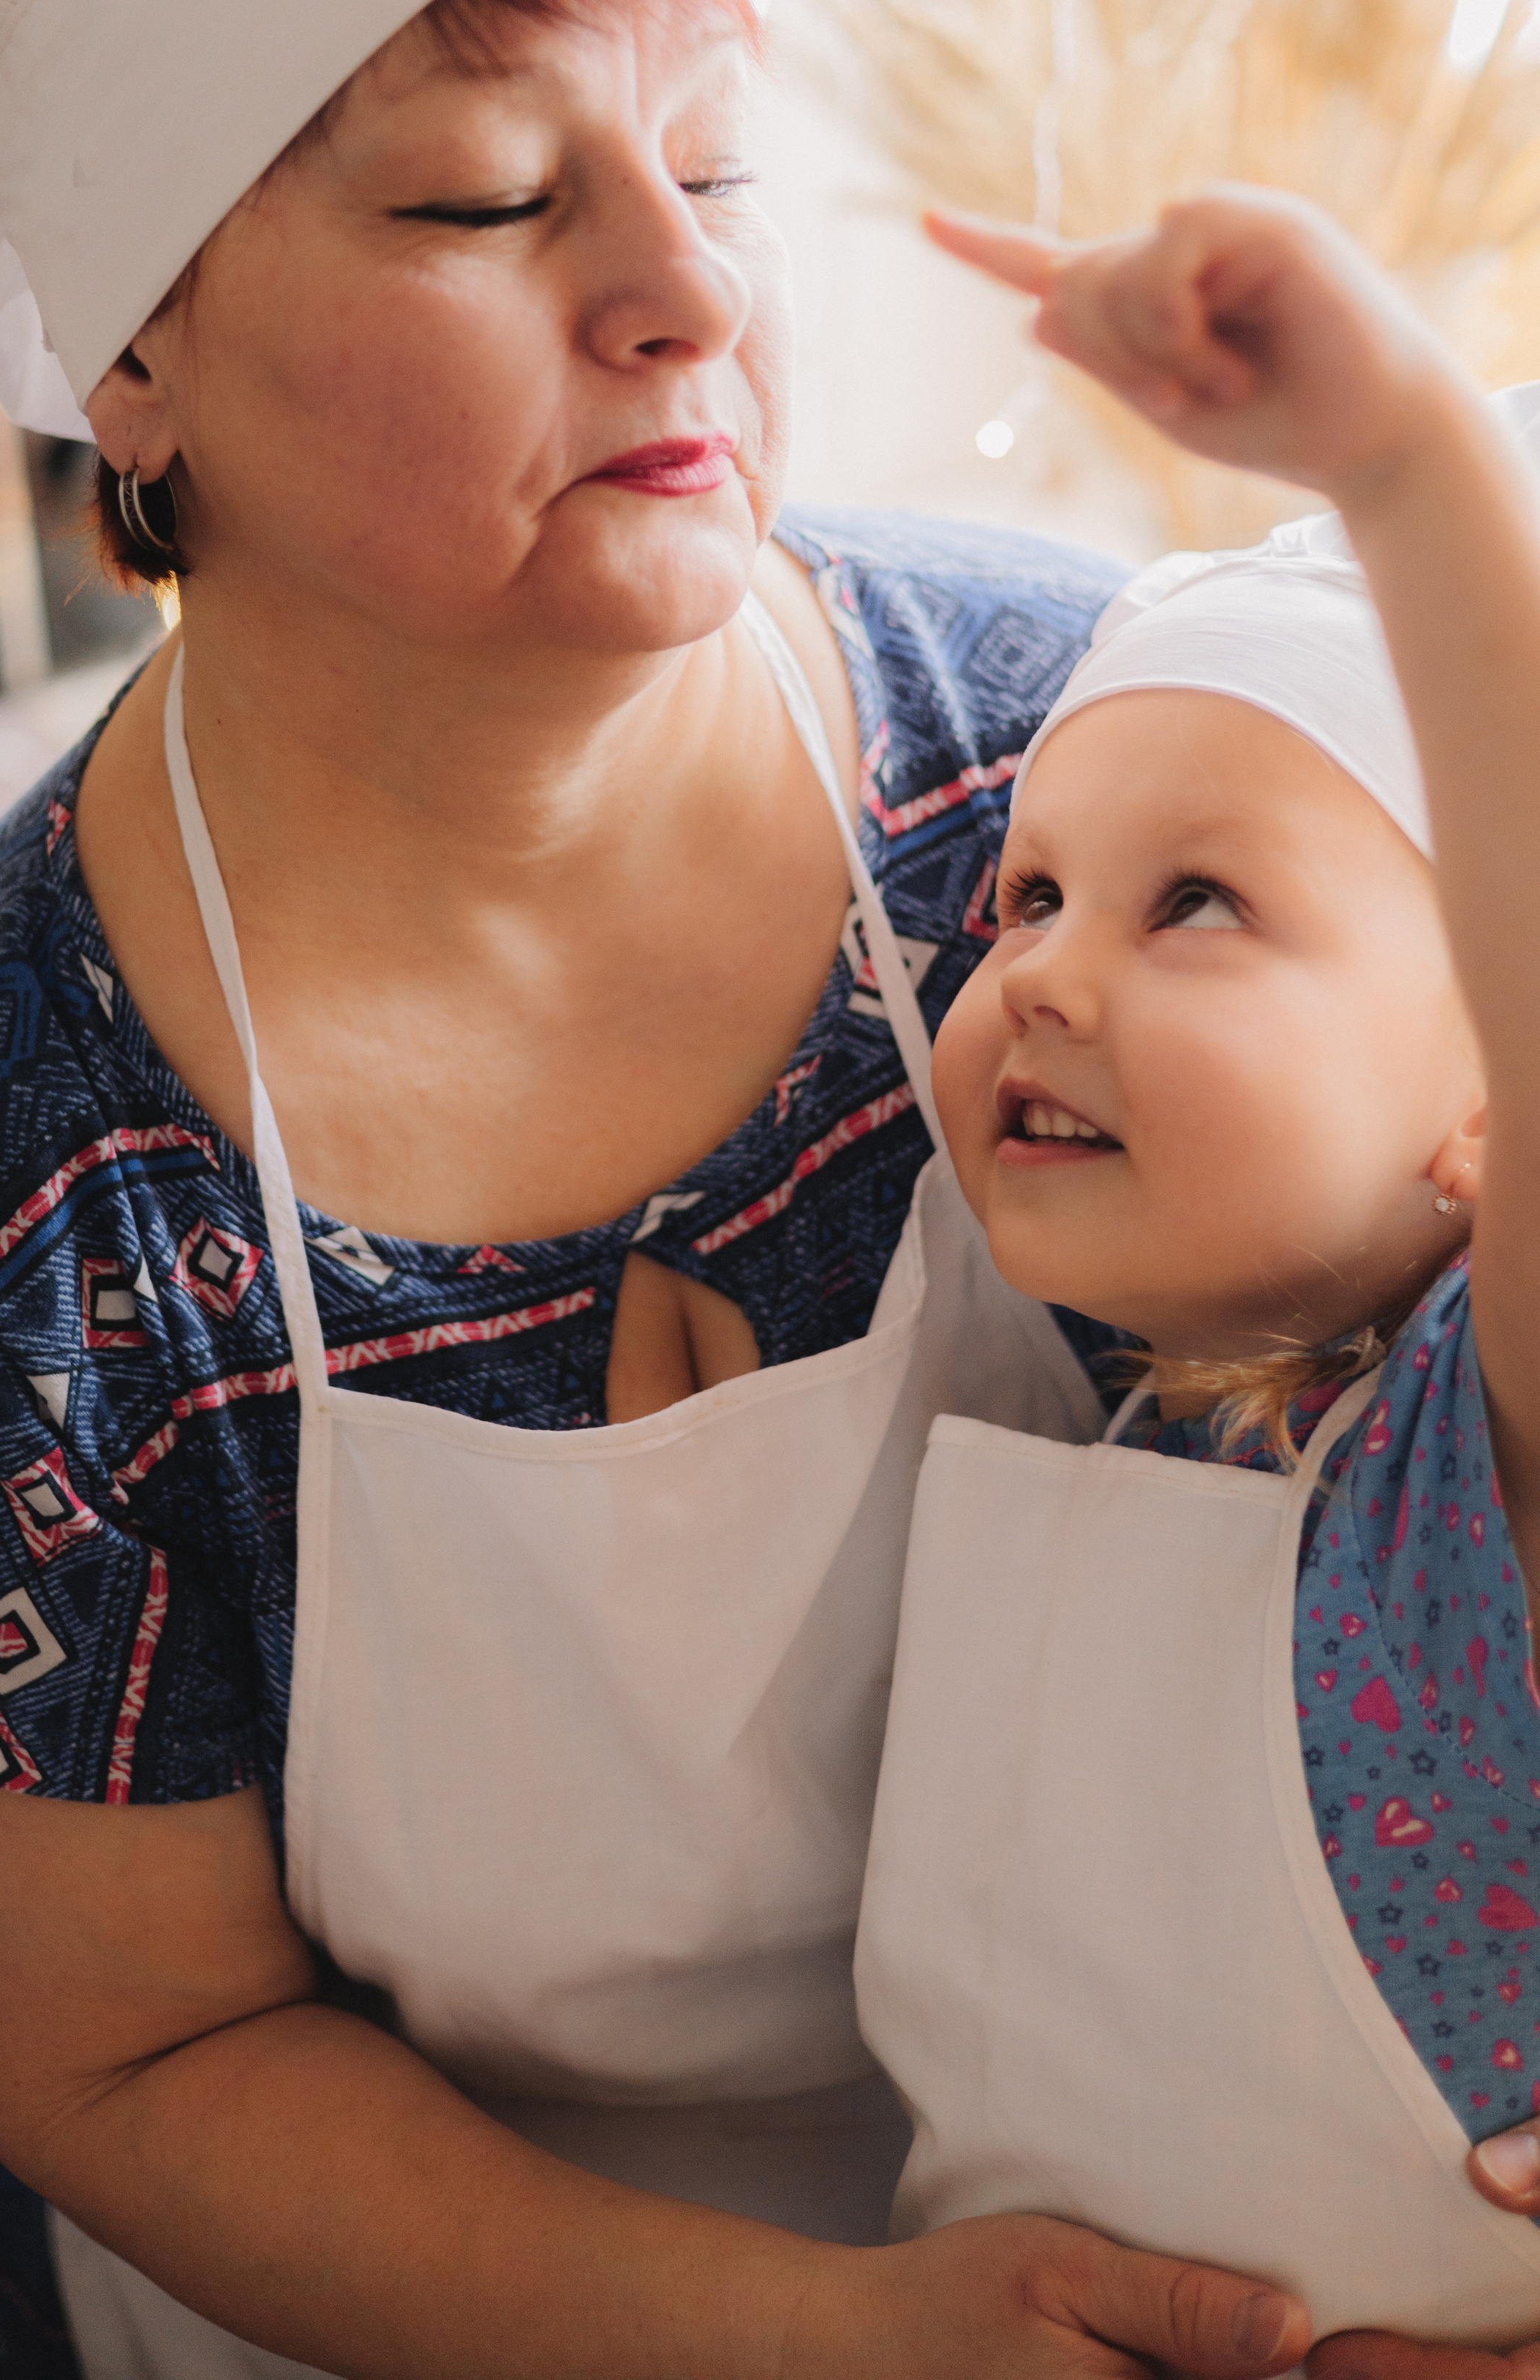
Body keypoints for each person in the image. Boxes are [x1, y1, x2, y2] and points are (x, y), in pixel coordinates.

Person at [0, 0, 1330, 2375]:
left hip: (1169, 2207)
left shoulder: (1073, 776)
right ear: (139, 351)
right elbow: (141, 2053)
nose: (679, 286)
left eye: (719, 167)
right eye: (483, 196)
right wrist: (837, 2343)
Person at [853, 188, 1540, 2364]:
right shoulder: (1140, 1425)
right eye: (1030, 891)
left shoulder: (1486, 1465)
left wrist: (1407, 463)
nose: (1041, 973)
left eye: (1202, 906)